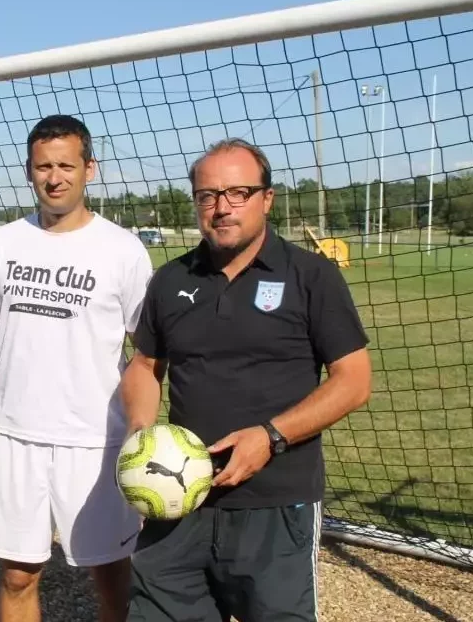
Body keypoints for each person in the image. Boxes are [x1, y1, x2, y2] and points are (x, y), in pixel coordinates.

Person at [120, 138, 373, 622]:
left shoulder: (311, 276)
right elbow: (145, 367)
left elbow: (354, 381)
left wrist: (270, 436)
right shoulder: (171, 279)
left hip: (277, 504)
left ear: (267, 198)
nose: (221, 208)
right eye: (208, 196)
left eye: (238, 192)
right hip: (179, 499)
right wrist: (139, 431)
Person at [0, 114, 154, 622]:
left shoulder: (124, 249)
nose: (54, 177)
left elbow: (149, 350)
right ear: (29, 171)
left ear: (90, 168)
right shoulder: (1, 243)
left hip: (95, 441)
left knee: (110, 571)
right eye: (43, 166)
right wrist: (27, 382)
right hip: (16, 436)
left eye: (66, 165)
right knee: (18, 574)